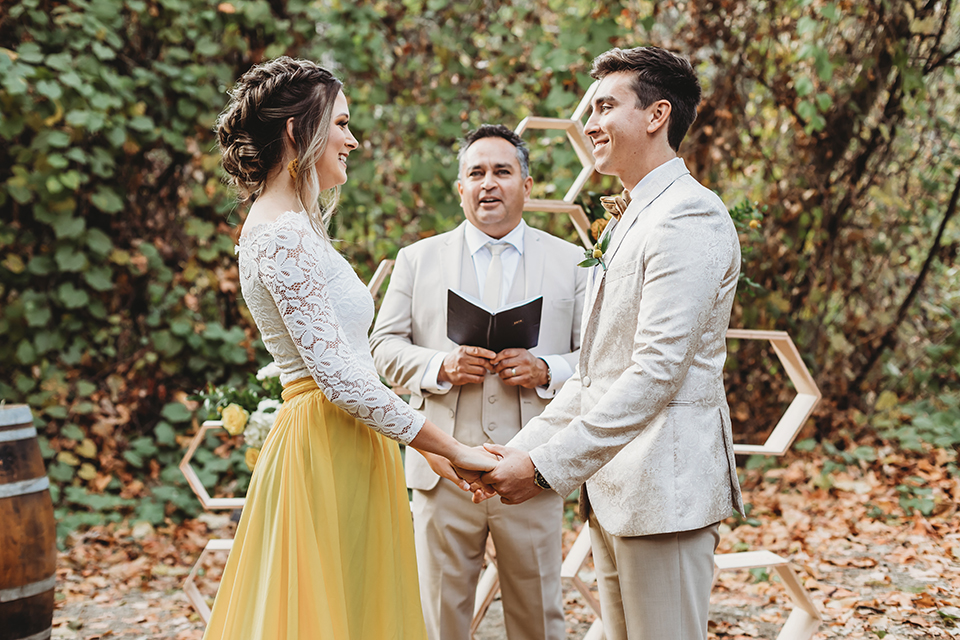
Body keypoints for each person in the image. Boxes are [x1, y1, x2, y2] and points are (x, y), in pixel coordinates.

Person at [206, 56, 496, 640]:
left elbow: (350, 365)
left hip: (350, 436)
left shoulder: (296, 225)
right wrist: (454, 447)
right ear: (297, 131)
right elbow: (338, 378)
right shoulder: (280, 234)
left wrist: (427, 451)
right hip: (322, 442)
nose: (352, 139)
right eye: (340, 124)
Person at [476, 47, 745, 640]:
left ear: (657, 115)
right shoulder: (631, 219)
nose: (590, 123)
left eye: (604, 107)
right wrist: (514, 453)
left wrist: (544, 468)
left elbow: (655, 373)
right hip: (616, 489)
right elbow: (598, 375)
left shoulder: (688, 216)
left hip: (665, 492)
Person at [369, 124, 587, 640]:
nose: (489, 183)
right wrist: (438, 367)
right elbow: (381, 349)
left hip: (531, 468)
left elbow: (599, 359)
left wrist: (547, 370)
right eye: (477, 172)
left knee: (539, 618)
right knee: (438, 622)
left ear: (527, 185)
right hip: (441, 469)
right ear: (460, 188)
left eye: (502, 172)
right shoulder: (417, 259)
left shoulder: (571, 262)